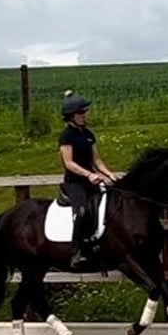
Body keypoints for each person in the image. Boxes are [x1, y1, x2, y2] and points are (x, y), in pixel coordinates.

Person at [57, 89, 117, 269]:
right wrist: (89, 174)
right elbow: (69, 163)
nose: (85, 115)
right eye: (81, 112)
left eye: (85, 111)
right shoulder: (66, 136)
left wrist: (109, 174)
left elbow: (96, 160)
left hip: (92, 181)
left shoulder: (88, 134)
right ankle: (78, 251)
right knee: (82, 211)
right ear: (71, 116)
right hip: (75, 183)